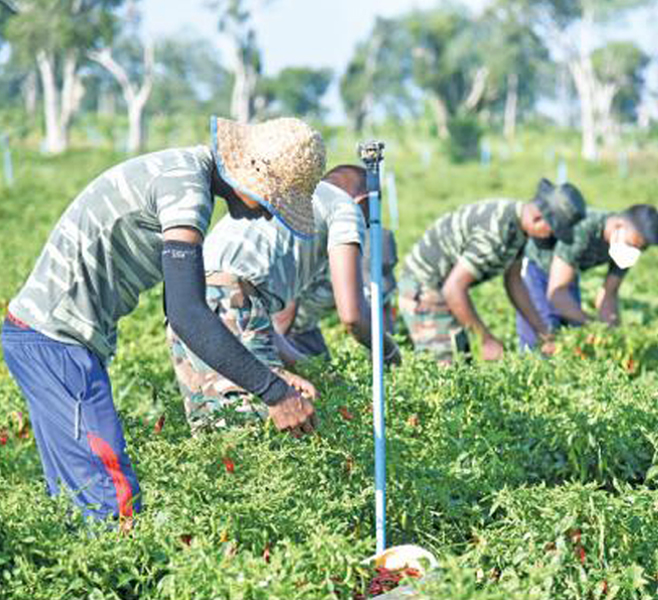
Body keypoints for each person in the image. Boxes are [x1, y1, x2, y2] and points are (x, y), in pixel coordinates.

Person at [1, 116, 326, 523]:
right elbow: (187, 314)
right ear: (251, 176)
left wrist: (269, 373)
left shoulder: (186, 172)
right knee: (110, 503)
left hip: (48, 338)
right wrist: (274, 393)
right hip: (55, 342)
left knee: (76, 499)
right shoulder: (186, 191)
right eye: (273, 202)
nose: (267, 217)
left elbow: (185, 309)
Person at [168, 165, 402, 432]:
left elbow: (250, 309)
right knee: (266, 428)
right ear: (364, 202)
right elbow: (353, 316)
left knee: (214, 431)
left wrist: (309, 368)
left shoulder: (289, 198)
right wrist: (391, 353)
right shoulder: (345, 207)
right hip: (232, 302)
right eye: (371, 218)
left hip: (187, 302)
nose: (369, 228)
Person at [398, 179, 586, 364]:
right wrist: (486, 340)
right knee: (444, 365)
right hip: (423, 288)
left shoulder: (520, 230)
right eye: (552, 231)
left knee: (463, 359)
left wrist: (542, 332)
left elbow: (514, 282)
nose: (550, 238)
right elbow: (453, 289)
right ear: (538, 218)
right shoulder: (497, 231)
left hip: (444, 287)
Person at [515, 204, 658, 349]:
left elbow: (609, 293)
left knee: (575, 339)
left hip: (568, 275)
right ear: (619, 225)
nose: (635, 250)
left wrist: (613, 334)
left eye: (642, 248)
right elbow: (556, 294)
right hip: (537, 270)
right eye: (633, 244)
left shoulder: (625, 248)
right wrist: (593, 325)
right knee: (543, 336)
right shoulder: (584, 229)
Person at [273, 229, 399, 362]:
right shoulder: (313, 263)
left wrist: (387, 355)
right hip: (275, 330)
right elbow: (278, 327)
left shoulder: (381, 265)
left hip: (306, 326)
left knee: (326, 369)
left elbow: (382, 314)